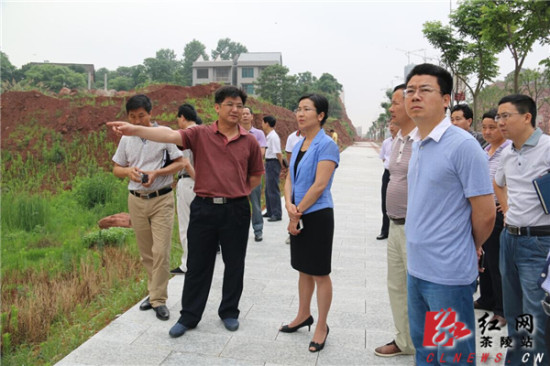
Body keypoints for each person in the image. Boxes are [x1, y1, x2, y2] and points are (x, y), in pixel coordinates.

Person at [107, 86, 264, 338]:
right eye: (229, 105)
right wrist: (133, 129)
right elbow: (167, 136)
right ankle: (189, 315)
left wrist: (238, 190)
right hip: (203, 208)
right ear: (217, 108)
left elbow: (256, 175)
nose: (235, 110)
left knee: (235, 263)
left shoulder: (249, 142)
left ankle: (229, 312)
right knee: (197, 264)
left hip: (235, 209)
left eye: (238, 105)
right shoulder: (200, 134)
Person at [404, 64, 495, 365]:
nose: (415, 96)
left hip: (447, 275)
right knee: (425, 351)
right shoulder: (417, 142)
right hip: (417, 269)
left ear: (446, 99)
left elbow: (485, 214)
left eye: (425, 90)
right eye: (410, 91)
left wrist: (467, 245)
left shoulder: (463, 146)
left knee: (452, 357)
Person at [111, 94, 186, 321]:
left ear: (150, 114)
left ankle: (159, 299)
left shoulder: (163, 134)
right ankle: (154, 292)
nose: (137, 121)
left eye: (141, 116)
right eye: (132, 117)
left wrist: (157, 173)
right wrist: (128, 172)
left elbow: (181, 162)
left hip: (161, 198)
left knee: (161, 251)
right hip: (136, 199)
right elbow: (116, 168)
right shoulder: (126, 138)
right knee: (146, 252)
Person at [493, 94, 550, 366]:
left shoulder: (547, 147)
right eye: (498, 117)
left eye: (506, 116)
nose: (500, 122)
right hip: (510, 240)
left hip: (538, 243)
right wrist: (508, 212)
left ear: (527, 117)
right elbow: (498, 183)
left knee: (536, 317)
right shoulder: (507, 151)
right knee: (515, 314)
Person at [280, 94, 339, 353]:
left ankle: (322, 325)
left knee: (319, 272)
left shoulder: (327, 145)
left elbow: (320, 185)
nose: (300, 113)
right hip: (299, 212)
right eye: (298, 108)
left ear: (321, 115)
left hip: (317, 215)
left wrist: (298, 212)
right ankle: (303, 314)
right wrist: (288, 204)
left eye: (307, 109)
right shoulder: (299, 142)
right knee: (303, 268)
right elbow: (289, 178)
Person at [374, 84, 416, 358]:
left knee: (420, 289)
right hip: (396, 225)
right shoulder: (399, 140)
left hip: (416, 229)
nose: (391, 109)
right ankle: (405, 341)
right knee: (396, 286)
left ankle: (426, 343)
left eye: (395, 103)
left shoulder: (424, 141)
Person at [473, 109, 511, 325]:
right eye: (484, 127)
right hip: (480, 211)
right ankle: (486, 298)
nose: (487, 131)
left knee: (496, 263)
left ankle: (501, 308)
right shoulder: (485, 150)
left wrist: (505, 205)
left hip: (497, 213)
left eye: (492, 127)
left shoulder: (508, 151)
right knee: (483, 260)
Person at [171, 103, 201, 275]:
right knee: (200, 225)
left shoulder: (186, 135)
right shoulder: (204, 132)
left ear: (182, 117)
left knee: (186, 225)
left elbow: (185, 162)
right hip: (203, 185)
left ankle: (187, 264)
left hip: (188, 182)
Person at [240, 106, 267, 242]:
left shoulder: (259, 134)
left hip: (253, 174)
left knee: (255, 203)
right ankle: (239, 231)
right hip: (237, 175)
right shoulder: (234, 132)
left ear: (251, 116)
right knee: (238, 204)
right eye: (242, 114)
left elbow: (261, 153)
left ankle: (258, 230)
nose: (244, 116)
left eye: (247, 113)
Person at [377, 121, 398, 240]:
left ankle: (397, 232)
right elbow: (383, 158)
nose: (391, 127)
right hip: (387, 174)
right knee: (385, 202)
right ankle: (385, 230)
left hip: (400, 175)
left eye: (394, 124)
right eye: (390, 125)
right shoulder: (386, 142)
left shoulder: (404, 141)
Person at [262, 115, 284, 222]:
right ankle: (270, 211)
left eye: (263, 122)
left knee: (273, 189)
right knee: (268, 189)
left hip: (273, 163)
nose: (262, 124)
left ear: (266, 123)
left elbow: (278, 153)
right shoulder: (269, 136)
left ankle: (277, 213)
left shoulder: (273, 137)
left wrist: (281, 165)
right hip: (269, 163)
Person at [284, 129, 303, 244]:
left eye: (306, 109)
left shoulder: (323, 141)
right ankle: (291, 232)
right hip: (295, 177)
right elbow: (290, 158)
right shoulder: (292, 138)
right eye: (299, 110)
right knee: (293, 205)